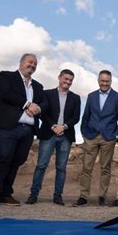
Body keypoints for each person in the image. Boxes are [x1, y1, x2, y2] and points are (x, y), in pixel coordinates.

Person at [0, 54, 43, 207]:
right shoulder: (6, 76)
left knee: (17, 160)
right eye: (30, 62)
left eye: (35, 63)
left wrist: (37, 108)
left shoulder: (38, 86)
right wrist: (27, 105)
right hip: (7, 127)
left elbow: (42, 103)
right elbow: (4, 94)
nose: (32, 65)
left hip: (27, 130)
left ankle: (5, 193)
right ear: (21, 62)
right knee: (3, 158)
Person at [26, 69, 81, 205]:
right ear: (59, 78)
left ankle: (58, 196)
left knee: (61, 168)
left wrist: (64, 127)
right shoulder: (47, 94)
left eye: (70, 80)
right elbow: (42, 113)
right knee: (41, 165)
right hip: (48, 133)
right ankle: (33, 194)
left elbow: (76, 117)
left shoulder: (76, 98)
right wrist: (53, 126)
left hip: (66, 135)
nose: (67, 82)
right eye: (65, 79)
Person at [76, 70, 118, 206]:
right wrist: (84, 132)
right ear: (98, 81)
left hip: (108, 137)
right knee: (86, 167)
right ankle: (83, 196)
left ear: (110, 81)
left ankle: (102, 196)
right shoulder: (91, 96)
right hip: (91, 136)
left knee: (105, 168)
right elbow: (85, 116)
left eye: (107, 81)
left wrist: (116, 135)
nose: (104, 83)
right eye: (102, 81)